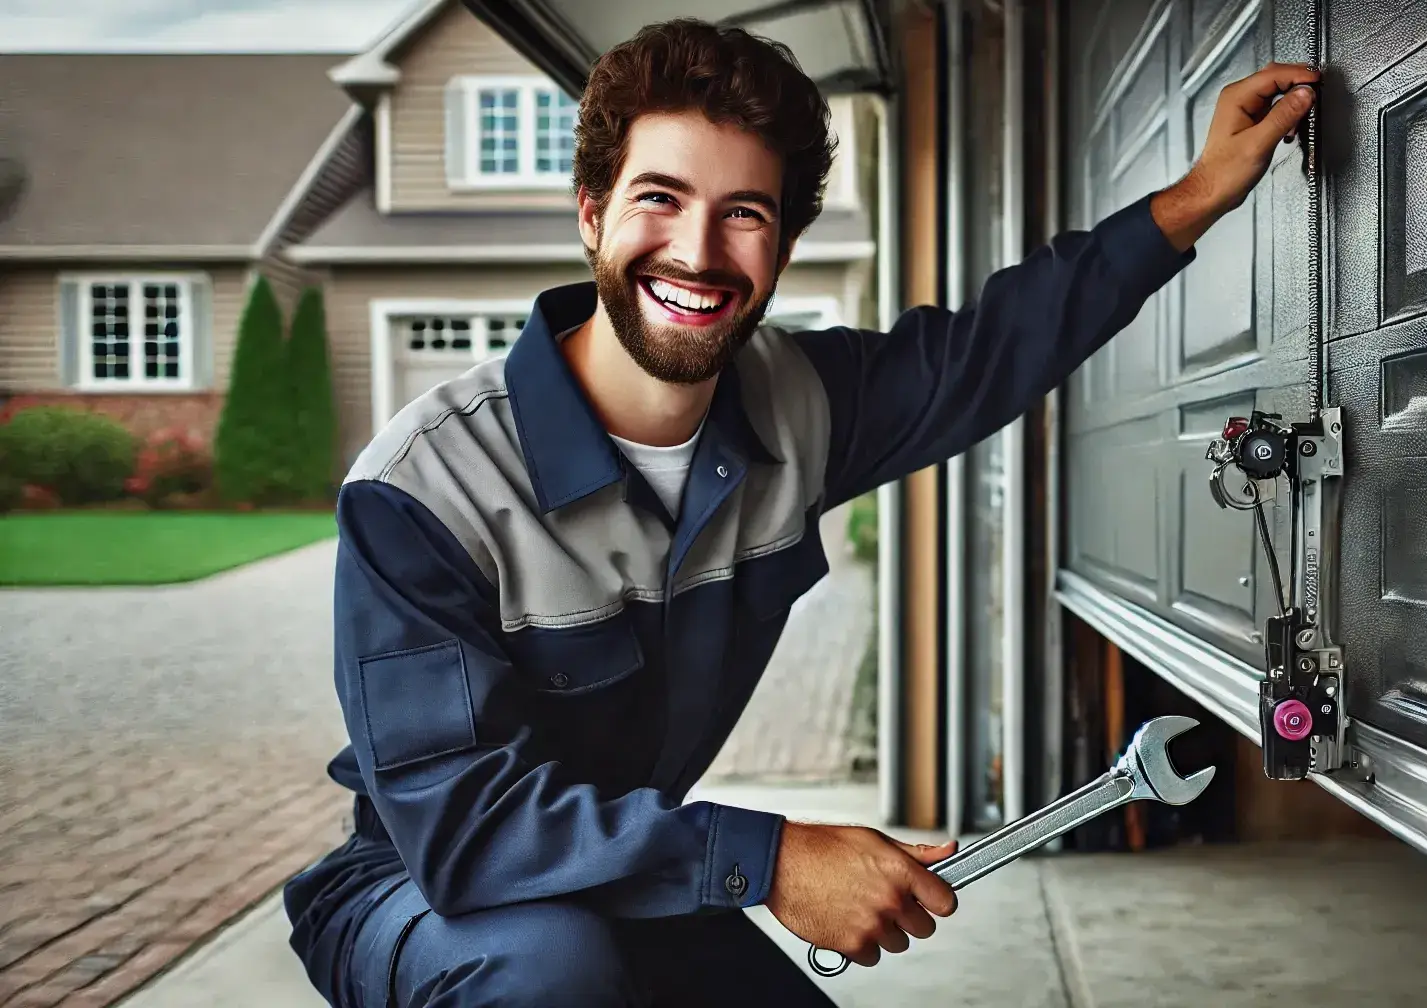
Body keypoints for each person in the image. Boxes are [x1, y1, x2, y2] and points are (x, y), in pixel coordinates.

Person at [282, 15, 1317, 1008]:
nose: (696, 250)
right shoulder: (426, 487)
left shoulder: (800, 404)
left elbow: (989, 349)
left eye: (744, 212)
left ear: (780, 246)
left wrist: (1194, 197)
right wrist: (770, 860)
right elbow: (464, 828)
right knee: (547, 974)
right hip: (422, 888)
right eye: (659, 199)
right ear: (591, 213)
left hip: (627, 877)